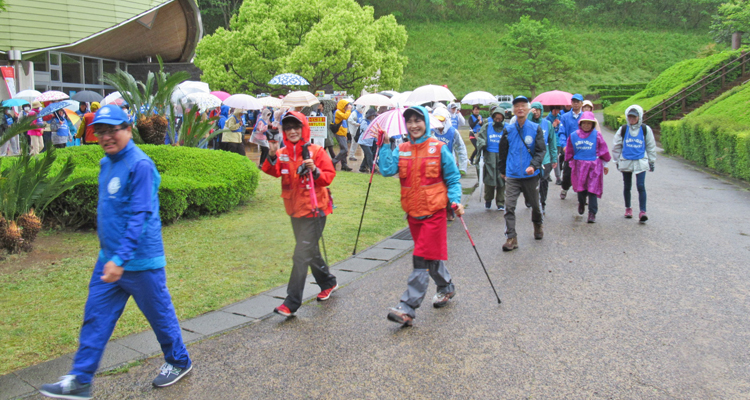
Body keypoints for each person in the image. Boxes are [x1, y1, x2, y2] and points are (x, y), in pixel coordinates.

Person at [40, 105, 192, 399]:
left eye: (113, 130)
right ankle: (81, 380)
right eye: (101, 131)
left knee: (160, 317)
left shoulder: (141, 165)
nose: (107, 137)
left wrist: (120, 259)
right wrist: (111, 258)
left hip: (141, 262)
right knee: (95, 318)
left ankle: (179, 361)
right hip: (108, 262)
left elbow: (140, 215)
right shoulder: (106, 163)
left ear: (128, 129)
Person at [377, 106, 463, 326]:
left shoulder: (439, 148)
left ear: (426, 122)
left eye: (418, 120)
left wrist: (455, 200)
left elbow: (453, 178)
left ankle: (407, 308)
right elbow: (386, 170)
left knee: (420, 258)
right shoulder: (402, 148)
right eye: (410, 121)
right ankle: (446, 287)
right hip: (413, 214)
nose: (413, 125)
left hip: (434, 213)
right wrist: (386, 145)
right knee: (430, 256)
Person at [261, 111, 338, 317]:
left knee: (301, 255)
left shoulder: (317, 151)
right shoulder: (283, 152)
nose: (293, 131)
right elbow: (272, 171)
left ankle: (291, 302)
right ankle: (328, 282)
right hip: (294, 210)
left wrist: (315, 171)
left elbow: (328, 177)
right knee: (309, 252)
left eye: (296, 127)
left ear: (304, 128)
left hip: (316, 210)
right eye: (288, 128)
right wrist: (270, 153)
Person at [498, 96, 546, 251]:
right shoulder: (508, 129)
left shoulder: (535, 128)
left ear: (528, 109)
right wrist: (503, 171)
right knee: (509, 207)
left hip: (530, 175)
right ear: (513, 110)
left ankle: (538, 224)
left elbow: (540, 151)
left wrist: (533, 165)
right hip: (512, 175)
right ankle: (511, 237)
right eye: (517, 106)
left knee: (535, 206)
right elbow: (503, 152)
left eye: (523, 106)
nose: (520, 108)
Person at [564, 111, 612, 223]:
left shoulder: (597, 135)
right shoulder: (574, 136)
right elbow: (569, 151)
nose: (586, 125)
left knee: (593, 189)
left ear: (592, 124)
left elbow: (603, 150)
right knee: (581, 188)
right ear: (580, 123)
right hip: (579, 166)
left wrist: (605, 164)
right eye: (584, 123)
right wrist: (569, 161)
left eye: (589, 123)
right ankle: (581, 202)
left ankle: (592, 213)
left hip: (594, 166)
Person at [612, 105, 656, 222]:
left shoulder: (646, 130)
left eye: (634, 117)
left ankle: (643, 211)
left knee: (641, 186)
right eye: (630, 117)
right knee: (627, 186)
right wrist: (616, 160)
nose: (632, 119)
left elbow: (651, 146)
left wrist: (651, 161)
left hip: (640, 161)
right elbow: (616, 146)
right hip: (626, 161)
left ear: (639, 117)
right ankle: (628, 208)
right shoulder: (623, 129)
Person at [475, 106, 507, 211]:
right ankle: (488, 200)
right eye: (496, 118)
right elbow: (480, 137)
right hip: (489, 156)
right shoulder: (487, 126)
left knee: (501, 180)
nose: (498, 120)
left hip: (502, 157)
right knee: (489, 179)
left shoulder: (507, 127)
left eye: (500, 119)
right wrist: (482, 143)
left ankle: (501, 202)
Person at [530, 102, 558, 214]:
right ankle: (531, 200)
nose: (536, 111)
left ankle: (542, 203)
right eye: (533, 109)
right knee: (531, 182)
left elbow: (552, 142)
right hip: (531, 158)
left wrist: (554, 158)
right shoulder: (528, 123)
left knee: (544, 181)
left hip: (545, 158)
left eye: (538, 109)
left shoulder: (547, 124)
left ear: (541, 111)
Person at [558, 94, 584, 199]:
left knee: (583, 172)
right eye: (574, 101)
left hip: (583, 150)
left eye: (578, 101)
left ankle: (582, 192)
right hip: (569, 149)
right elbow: (562, 133)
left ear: (582, 103)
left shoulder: (586, 117)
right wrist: (564, 145)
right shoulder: (564, 117)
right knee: (568, 172)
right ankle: (565, 188)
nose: (576, 103)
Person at [331, 99, 352, 171]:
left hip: (343, 133)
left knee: (343, 149)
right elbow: (346, 117)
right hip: (339, 133)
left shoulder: (342, 112)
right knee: (345, 149)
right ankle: (334, 161)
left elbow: (344, 125)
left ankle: (344, 165)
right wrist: (349, 110)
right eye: (346, 106)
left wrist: (346, 135)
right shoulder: (338, 112)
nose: (347, 107)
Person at [546, 106, 563, 185]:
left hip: (559, 141)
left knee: (555, 159)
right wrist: (552, 126)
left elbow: (563, 129)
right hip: (550, 142)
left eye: (558, 110)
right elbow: (546, 132)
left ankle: (547, 174)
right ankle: (558, 177)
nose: (556, 111)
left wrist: (560, 124)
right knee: (554, 158)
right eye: (555, 110)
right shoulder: (547, 119)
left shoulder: (561, 118)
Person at [358, 108, 378, 173]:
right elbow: (365, 129)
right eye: (372, 116)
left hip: (369, 142)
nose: (373, 117)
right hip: (363, 142)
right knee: (369, 154)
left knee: (367, 155)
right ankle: (372, 169)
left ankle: (362, 167)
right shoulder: (364, 122)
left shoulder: (372, 122)